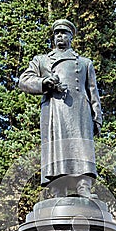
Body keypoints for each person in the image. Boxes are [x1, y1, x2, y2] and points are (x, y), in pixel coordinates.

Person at [19, 19, 102, 197]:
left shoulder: (85, 63)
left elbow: (93, 92)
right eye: (57, 33)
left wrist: (97, 118)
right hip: (54, 110)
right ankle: (58, 190)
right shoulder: (41, 61)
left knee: (82, 147)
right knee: (56, 149)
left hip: (80, 111)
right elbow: (23, 81)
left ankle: (83, 186)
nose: (60, 36)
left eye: (64, 33)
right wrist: (44, 83)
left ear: (71, 37)